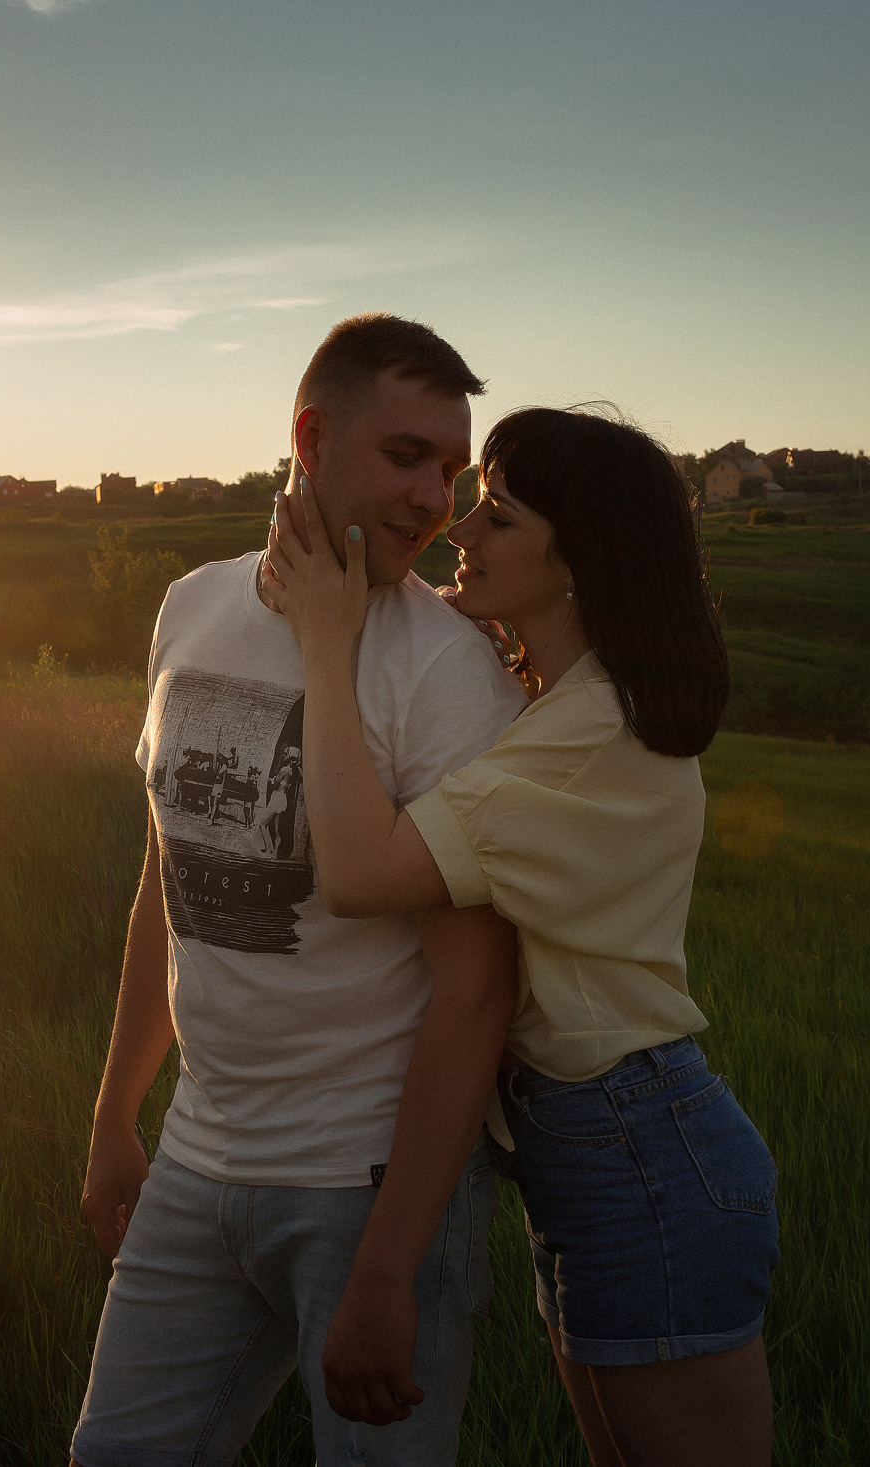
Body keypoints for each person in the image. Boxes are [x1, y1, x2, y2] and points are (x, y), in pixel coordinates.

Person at [262, 407, 779, 1467]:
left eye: (498, 515)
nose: (461, 530)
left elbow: (359, 873)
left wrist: (326, 642)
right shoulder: (571, 709)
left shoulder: (585, 740)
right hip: (589, 1143)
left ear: (580, 558)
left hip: (635, 1142)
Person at [70, 315, 531, 1467]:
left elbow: (475, 995)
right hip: (197, 1159)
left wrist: (389, 1266)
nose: (435, 497)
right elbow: (168, 878)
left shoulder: (447, 671)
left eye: (450, 469)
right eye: (406, 456)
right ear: (311, 437)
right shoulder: (192, 608)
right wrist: (116, 1110)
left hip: (365, 1185)